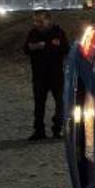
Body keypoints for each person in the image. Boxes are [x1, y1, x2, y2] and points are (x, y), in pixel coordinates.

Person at [22, 10, 70, 141]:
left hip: (56, 75)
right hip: (39, 75)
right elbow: (26, 49)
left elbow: (66, 49)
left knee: (60, 103)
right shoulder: (33, 33)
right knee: (39, 105)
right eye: (35, 21)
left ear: (48, 20)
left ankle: (57, 129)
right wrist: (34, 47)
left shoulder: (58, 33)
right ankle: (39, 131)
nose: (37, 24)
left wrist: (46, 46)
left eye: (40, 21)